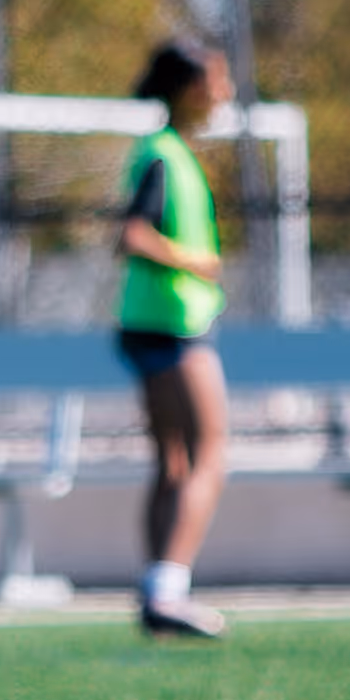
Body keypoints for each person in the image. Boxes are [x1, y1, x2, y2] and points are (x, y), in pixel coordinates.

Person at [116, 40, 235, 640]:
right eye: (218, 80)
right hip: (174, 324)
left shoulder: (166, 152)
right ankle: (169, 590)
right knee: (209, 452)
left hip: (150, 321)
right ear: (191, 88)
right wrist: (199, 262)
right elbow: (133, 235)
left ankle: (157, 593)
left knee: (174, 460)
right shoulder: (164, 156)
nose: (225, 92)